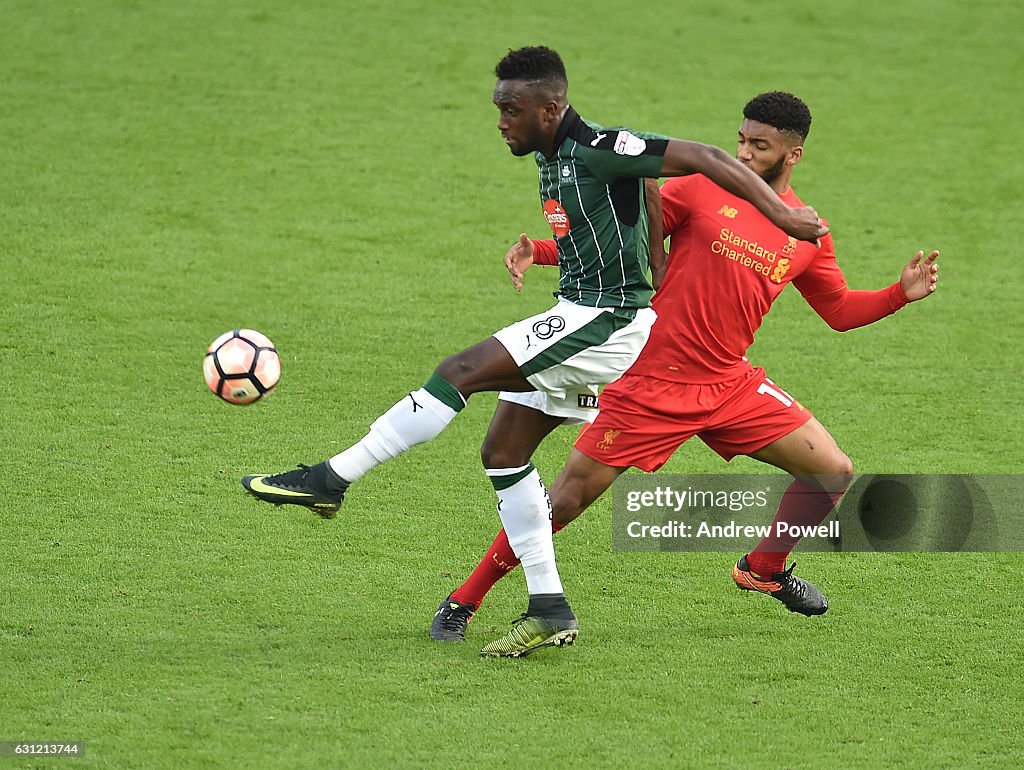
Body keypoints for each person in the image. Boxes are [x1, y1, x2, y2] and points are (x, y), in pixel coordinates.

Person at [241, 49, 826, 658]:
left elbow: (701, 157)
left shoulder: (599, 145)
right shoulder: (553, 160)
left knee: (458, 373)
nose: (501, 122)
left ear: (550, 109)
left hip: (609, 323)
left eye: (511, 110)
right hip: (589, 315)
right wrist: (589, 252)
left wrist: (781, 213)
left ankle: (331, 478)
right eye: (499, 108)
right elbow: (638, 203)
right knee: (504, 450)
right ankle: (548, 605)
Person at [433, 91, 940, 654]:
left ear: (793, 154)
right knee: (568, 499)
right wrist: (544, 252)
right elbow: (619, 242)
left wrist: (900, 294)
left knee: (833, 471)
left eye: (760, 145)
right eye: (742, 139)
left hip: (728, 384)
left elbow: (840, 309)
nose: (743, 153)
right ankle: (465, 599)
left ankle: (763, 568)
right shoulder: (701, 188)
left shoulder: (805, 230)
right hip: (650, 381)